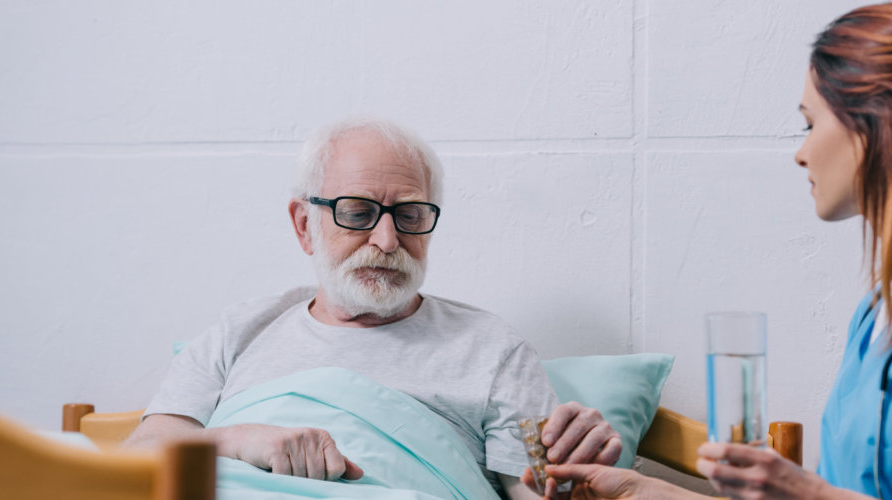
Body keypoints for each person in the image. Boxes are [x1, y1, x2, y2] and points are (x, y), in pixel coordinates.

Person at [534, 2, 892, 499]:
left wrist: (804, 491)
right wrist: (643, 489)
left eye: (811, 123)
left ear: (878, 123)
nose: (802, 152)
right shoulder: (884, 312)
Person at [124, 116, 624, 500]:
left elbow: (537, 490)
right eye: (358, 212)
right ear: (304, 225)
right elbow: (140, 456)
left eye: (409, 215)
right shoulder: (242, 330)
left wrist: (577, 479)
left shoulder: (493, 348)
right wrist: (241, 439)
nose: (387, 241)